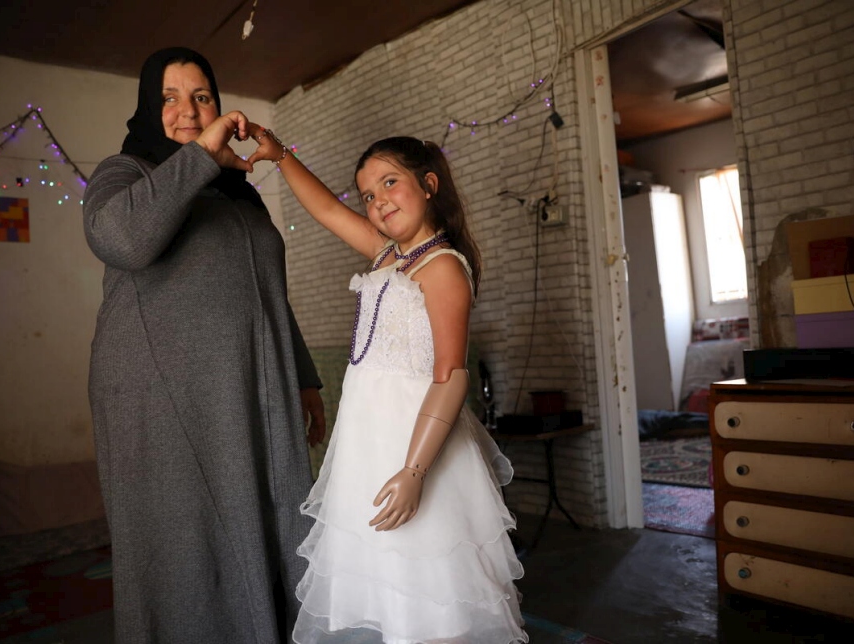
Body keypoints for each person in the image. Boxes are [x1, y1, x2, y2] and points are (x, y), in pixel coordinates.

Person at [82, 47, 325, 643]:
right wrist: (198, 159)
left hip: (247, 387)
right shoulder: (125, 172)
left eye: (201, 97)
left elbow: (267, 289)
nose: (188, 111)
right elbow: (125, 240)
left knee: (268, 523)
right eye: (169, 98)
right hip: (161, 397)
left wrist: (304, 375)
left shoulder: (241, 194)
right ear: (146, 105)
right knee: (183, 545)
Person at [246, 132, 527, 643]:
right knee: (378, 581)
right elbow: (329, 210)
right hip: (368, 444)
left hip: (413, 444)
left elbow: (452, 375)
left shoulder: (442, 267)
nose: (378, 202)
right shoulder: (386, 256)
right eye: (368, 195)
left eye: (390, 183)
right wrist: (280, 154)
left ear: (428, 185)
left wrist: (416, 469)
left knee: (421, 584)